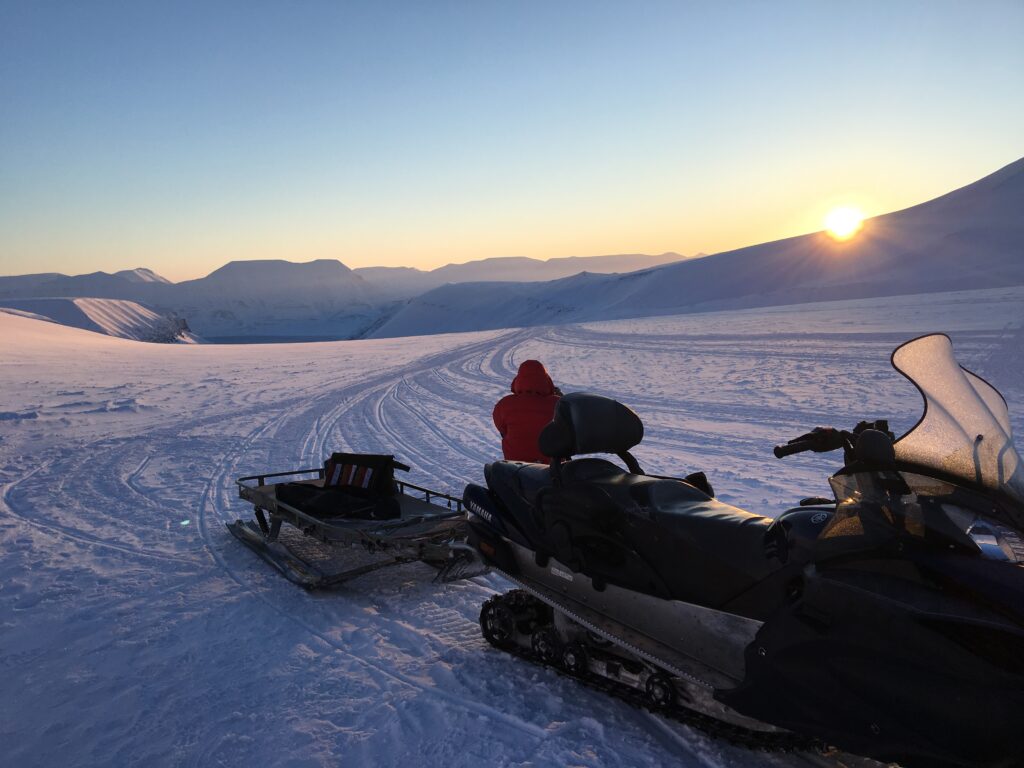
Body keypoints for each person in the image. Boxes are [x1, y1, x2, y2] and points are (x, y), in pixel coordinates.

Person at [492, 360, 561, 463]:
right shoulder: (559, 403)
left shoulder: (505, 404)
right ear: (546, 380)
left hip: (516, 468)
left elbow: (502, 429)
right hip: (553, 468)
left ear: (518, 380)